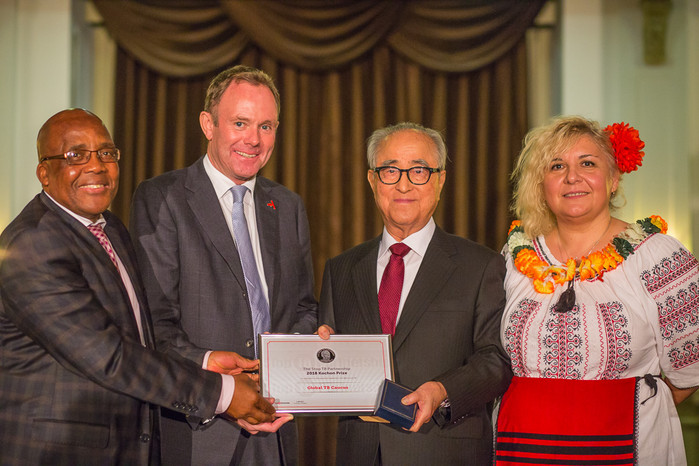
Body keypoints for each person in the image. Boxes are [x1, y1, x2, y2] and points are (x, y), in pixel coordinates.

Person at [0, 109, 278, 465]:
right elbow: (110, 356)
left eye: (106, 153)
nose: (96, 166)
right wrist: (222, 394)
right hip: (58, 452)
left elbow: (140, 338)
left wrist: (205, 362)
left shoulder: (110, 229)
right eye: (75, 155)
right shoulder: (32, 245)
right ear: (44, 173)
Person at [130, 65, 317, 465]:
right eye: (240, 123)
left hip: (276, 429)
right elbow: (154, 325)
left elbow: (304, 309)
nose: (253, 139)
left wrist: (284, 364)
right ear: (208, 124)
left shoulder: (288, 206)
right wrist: (221, 381)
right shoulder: (162, 198)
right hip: (200, 431)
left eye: (266, 126)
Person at [495, 116, 699, 465]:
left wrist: (623, 408)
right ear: (541, 184)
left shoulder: (658, 255)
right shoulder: (515, 257)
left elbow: (690, 370)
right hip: (524, 447)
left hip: (627, 447)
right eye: (556, 166)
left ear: (613, 178)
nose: (572, 177)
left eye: (587, 163)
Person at [317, 122, 513, 465]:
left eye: (419, 171)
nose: (404, 184)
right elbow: (327, 350)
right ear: (372, 180)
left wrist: (442, 391)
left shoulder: (480, 265)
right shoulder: (341, 269)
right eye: (390, 170)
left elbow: (496, 360)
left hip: (445, 450)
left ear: (440, 180)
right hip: (361, 452)